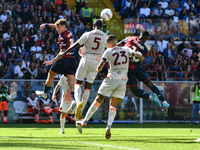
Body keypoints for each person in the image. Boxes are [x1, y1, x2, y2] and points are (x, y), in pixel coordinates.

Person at [77, 35, 140, 139]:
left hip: (111, 79)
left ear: (108, 44)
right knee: (113, 105)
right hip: (123, 81)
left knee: (99, 99)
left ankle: (85, 121)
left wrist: (98, 69)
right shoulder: (126, 49)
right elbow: (135, 54)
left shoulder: (108, 51)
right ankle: (108, 126)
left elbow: (101, 64)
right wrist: (140, 57)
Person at [43, 19, 107, 121]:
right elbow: (109, 50)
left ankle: (76, 102)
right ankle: (80, 111)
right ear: (102, 26)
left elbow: (76, 45)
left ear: (93, 25)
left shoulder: (88, 34)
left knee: (78, 83)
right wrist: (104, 63)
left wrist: (63, 53)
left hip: (86, 59)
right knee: (88, 87)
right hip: (97, 62)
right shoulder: (105, 36)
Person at [118, 31, 170, 109]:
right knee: (151, 85)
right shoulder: (145, 50)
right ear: (146, 39)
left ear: (140, 35)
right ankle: (164, 102)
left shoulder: (129, 38)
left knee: (135, 91)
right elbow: (142, 60)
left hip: (128, 68)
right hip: (138, 68)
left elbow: (118, 45)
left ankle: (150, 97)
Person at [35, 19, 76, 108]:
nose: (57, 29)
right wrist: (45, 24)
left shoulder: (62, 38)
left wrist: (52, 61)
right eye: (57, 27)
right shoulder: (69, 32)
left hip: (64, 60)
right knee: (71, 83)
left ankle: (45, 93)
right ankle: (73, 100)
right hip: (72, 60)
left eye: (59, 28)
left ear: (63, 26)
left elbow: (62, 53)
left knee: (50, 74)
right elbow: (56, 25)